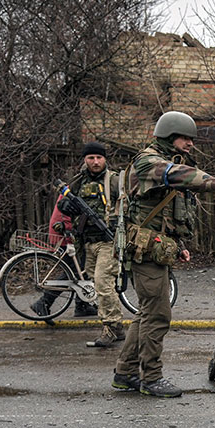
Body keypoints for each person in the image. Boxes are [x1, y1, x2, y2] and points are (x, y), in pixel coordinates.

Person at [113, 111, 215, 398]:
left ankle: (125, 372)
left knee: (147, 313)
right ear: (169, 136)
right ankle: (151, 378)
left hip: (157, 249)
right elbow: (177, 176)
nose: (191, 144)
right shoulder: (149, 162)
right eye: (185, 138)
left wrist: (178, 245)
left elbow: (164, 213)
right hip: (145, 251)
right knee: (157, 316)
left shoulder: (170, 163)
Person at [55, 141, 126, 347]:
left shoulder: (113, 181)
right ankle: (118, 328)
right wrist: (66, 205)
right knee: (95, 284)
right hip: (88, 242)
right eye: (91, 158)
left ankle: (111, 327)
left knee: (103, 283)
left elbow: (127, 206)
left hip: (108, 241)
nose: (95, 162)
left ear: (105, 159)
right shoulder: (78, 181)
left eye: (99, 158)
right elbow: (63, 202)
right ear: (85, 160)